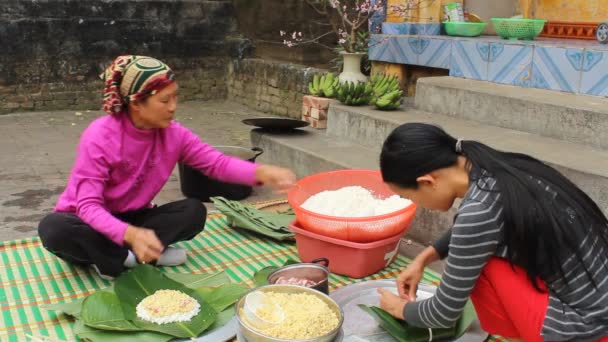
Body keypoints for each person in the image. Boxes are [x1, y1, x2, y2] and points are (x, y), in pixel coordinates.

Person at [38, 55, 296, 280]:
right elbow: (88, 207)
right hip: (88, 221)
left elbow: (215, 163)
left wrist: (259, 173)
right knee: (53, 229)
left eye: (175, 97)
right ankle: (125, 258)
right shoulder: (100, 137)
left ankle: (118, 255)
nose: (173, 107)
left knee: (194, 211)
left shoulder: (173, 134)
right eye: (164, 100)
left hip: (134, 216)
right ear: (137, 102)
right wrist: (129, 235)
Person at [377, 123, 608, 341]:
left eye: (408, 196)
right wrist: (424, 258)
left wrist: (401, 309)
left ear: (427, 181)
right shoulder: (499, 167)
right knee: (478, 252)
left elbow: (443, 313)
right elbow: (476, 230)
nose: (415, 204)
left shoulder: (479, 210)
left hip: (588, 328)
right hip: (599, 304)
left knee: (484, 265)